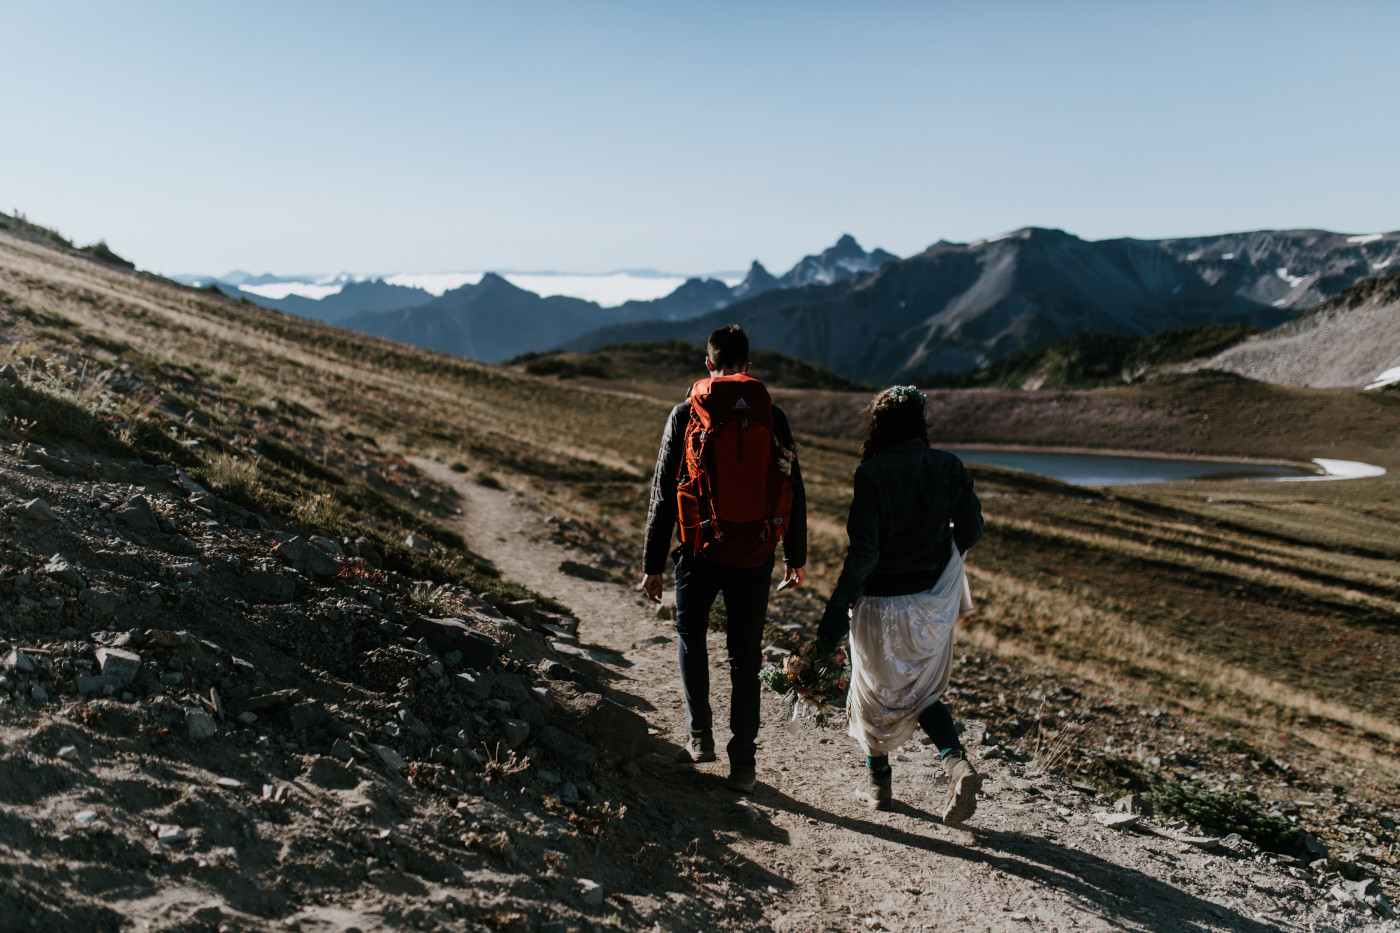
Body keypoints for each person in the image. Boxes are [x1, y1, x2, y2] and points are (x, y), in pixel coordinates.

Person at [641, 325, 807, 794]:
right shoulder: (770, 414)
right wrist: (795, 554)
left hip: (700, 548)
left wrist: (654, 563)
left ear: (708, 364)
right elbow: (794, 485)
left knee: (691, 633)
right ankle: (744, 764)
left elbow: (664, 493)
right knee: (745, 655)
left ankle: (700, 735)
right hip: (755, 552)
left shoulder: (685, 413)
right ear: (748, 366)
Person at [817, 385, 984, 821]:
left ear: (881, 425)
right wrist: (941, 555)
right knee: (923, 690)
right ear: (920, 423)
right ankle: (956, 763)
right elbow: (972, 529)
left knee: (870, 692)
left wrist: (834, 615)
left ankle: (878, 788)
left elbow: (864, 553)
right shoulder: (949, 466)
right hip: (931, 602)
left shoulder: (871, 474)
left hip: (879, 602)